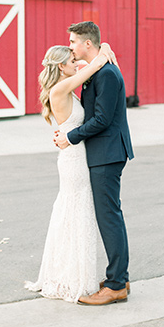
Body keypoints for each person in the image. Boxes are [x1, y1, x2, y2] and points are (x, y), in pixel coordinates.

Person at [25, 41, 118, 303]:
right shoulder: (60, 87)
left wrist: (105, 46)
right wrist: (103, 52)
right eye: (71, 60)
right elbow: (94, 65)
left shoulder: (66, 87)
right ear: (60, 67)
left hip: (76, 153)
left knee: (76, 214)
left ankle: (76, 274)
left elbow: (92, 63)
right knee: (77, 214)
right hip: (74, 160)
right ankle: (74, 279)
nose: (75, 62)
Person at [54, 21, 134, 306]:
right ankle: (119, 278)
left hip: (108, 153)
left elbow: (101, 119)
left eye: (74, 42)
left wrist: (70, 137)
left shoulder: (107, 74)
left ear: (88, 44)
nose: (71, 47)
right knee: (111, 215)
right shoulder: (97, 70)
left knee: (109, 217)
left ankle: (115, 285)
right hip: (103, 152)